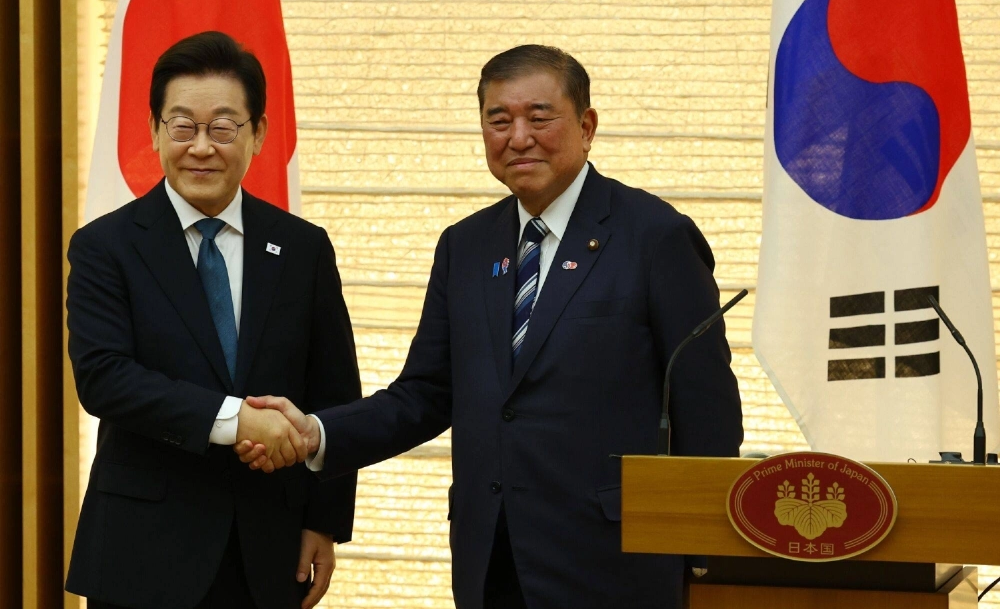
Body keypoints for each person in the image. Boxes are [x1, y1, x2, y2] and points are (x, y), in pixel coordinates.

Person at [238, 44, 743, 608]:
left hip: (616, 563)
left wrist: (706, 556)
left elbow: (708, 409)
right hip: (492, 560)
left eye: (539, 117)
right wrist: (317, 432)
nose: (518, 137)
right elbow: (426, 393)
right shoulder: (466, 246)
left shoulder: (655, 236)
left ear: (587, 126)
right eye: (499, 121)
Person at [65, 31, 361, 609]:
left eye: (223, 128)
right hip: (143, 551)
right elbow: (104, 378)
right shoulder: (105, 247)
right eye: (182, 127)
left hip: (269, 548)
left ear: (259, 133)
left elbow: (335, 391)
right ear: (155, 132)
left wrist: (324, 521)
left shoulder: (302, 248)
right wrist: (234, 420)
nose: (201, 147)